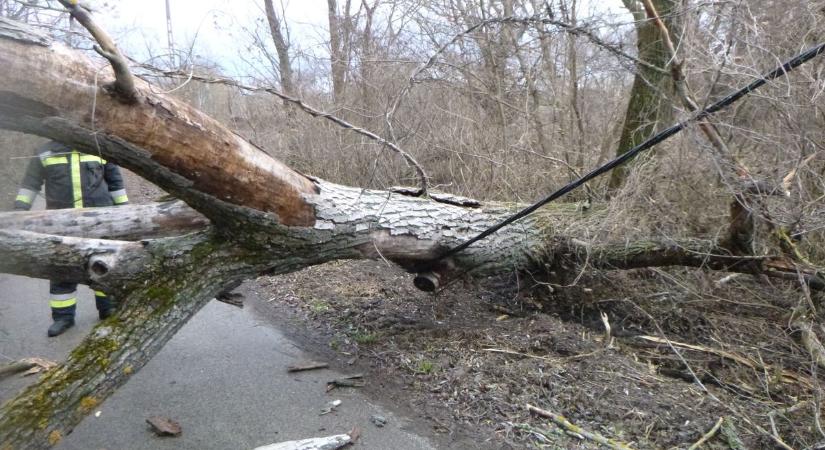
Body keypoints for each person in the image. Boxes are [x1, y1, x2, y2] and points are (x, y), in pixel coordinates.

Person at [13, 141, 129, 337]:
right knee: (61, 268)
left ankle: (107, 308)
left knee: (105, 265)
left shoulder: (99, 148)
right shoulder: (44, 152)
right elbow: (30, 183)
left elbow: (115, 182)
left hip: (99, 221)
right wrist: (19, 211)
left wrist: (126, 215)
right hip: (61, 223)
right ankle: (63, 317)